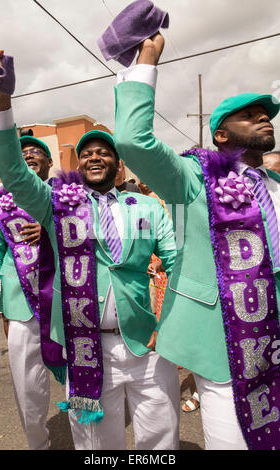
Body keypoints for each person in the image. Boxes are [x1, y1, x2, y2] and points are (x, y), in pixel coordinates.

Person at [0, 51, 180, 451]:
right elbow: (17, 176)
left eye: (103, 151)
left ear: (119, 167)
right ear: (78, 165)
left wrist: (172, 326)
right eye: (86, 152)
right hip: (84, 349)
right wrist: (1, 105)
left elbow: (174, 263)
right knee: (96, 447)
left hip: (147, 345)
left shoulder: (145, 207)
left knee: (161, 440)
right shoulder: (59, 206)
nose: (94, 156)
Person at [113, 33, 280, 450]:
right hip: (225, 343)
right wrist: (147, 59)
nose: (265, 119)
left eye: (267, 114)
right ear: (221, 135)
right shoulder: (193, 180)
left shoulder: (275, 185)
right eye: (250, 116)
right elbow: (134, 141)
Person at [0, 135, 63, 450]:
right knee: (27, 391)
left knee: (81, 381)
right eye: (22, 152)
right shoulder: (1, 201)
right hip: (20, 307)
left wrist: (50, 227)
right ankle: (38, 444)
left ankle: (89, 441)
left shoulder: (69, 198)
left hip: (67, 305)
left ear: (49, 163)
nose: (29, 155)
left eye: (36, 152)